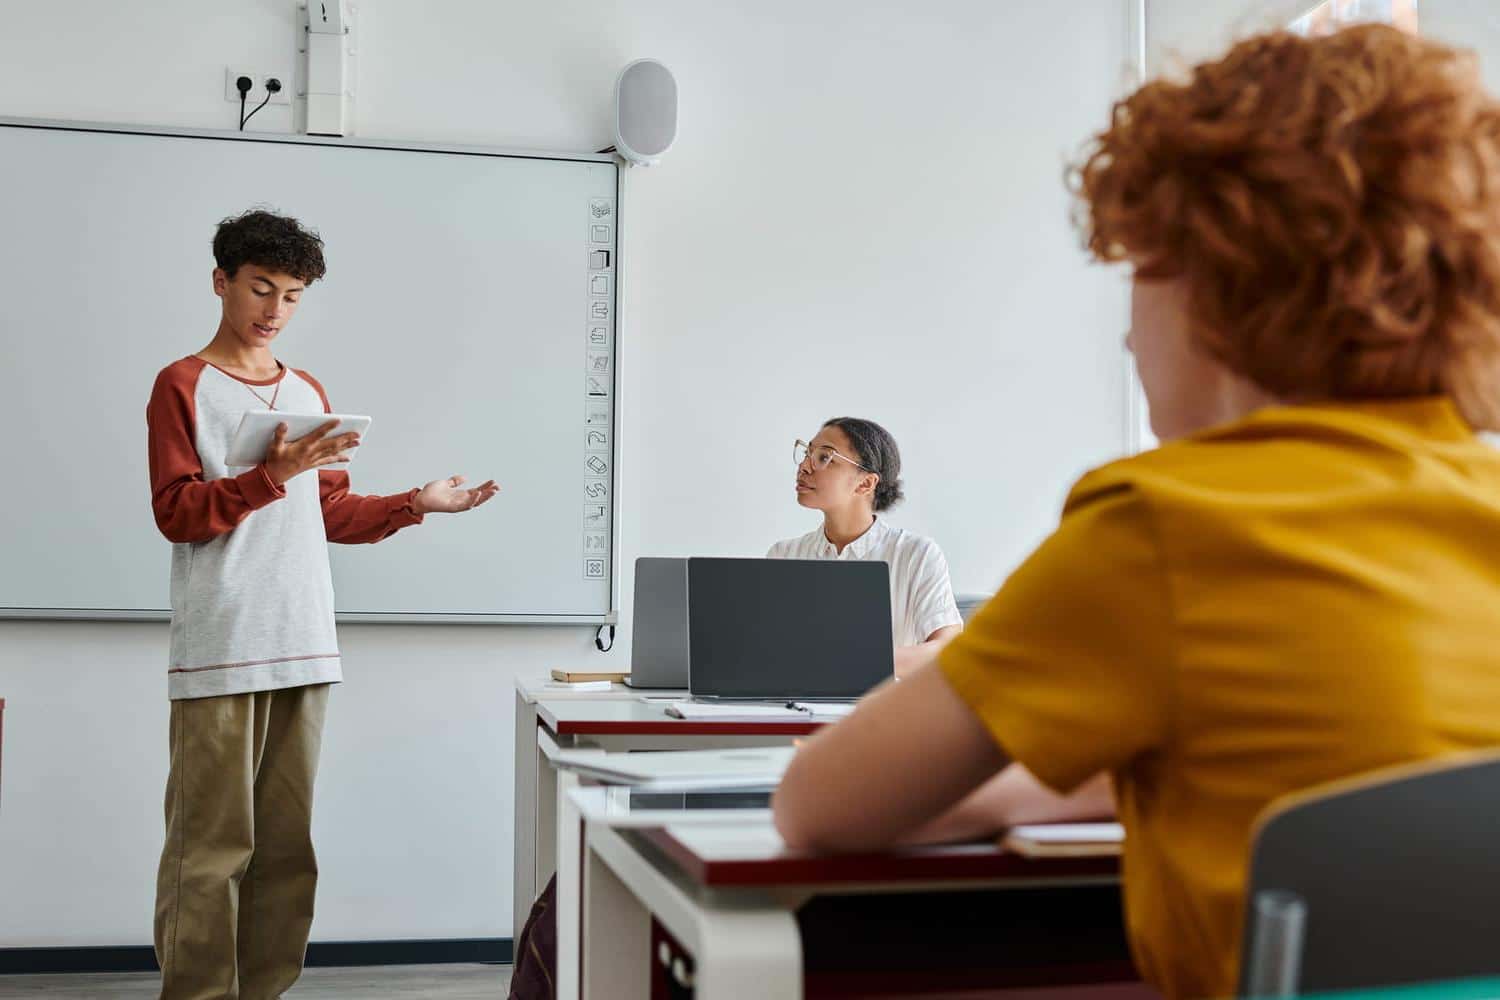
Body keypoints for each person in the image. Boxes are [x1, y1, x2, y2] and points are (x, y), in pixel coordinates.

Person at [774, 24, 1500, 1000]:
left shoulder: (1160, 528)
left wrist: (1026, 792)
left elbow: (820, 805)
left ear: (1216, 292)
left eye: (1141, 270)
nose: (1124, 334)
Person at [146, 208, 499, 1000]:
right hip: (222, 644)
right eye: (261, 288)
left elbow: (329, 512)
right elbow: (177, 512)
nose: (275, 310)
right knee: (209, 850)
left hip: (303, 641)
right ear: (221, 282)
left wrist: (416, 503)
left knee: (285, 849)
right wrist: (270, 476)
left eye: (293, 295)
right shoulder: (183, 385)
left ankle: (264, 990)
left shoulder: (305, 393)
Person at [770, 417, 962, 678]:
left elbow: (946, 649)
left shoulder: (916, 554)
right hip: (796, 700)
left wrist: (856, 661)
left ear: (866, 483)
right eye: (807, 453)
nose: (804, 466)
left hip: (887, 701)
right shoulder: (783, 555)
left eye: (824, 457)